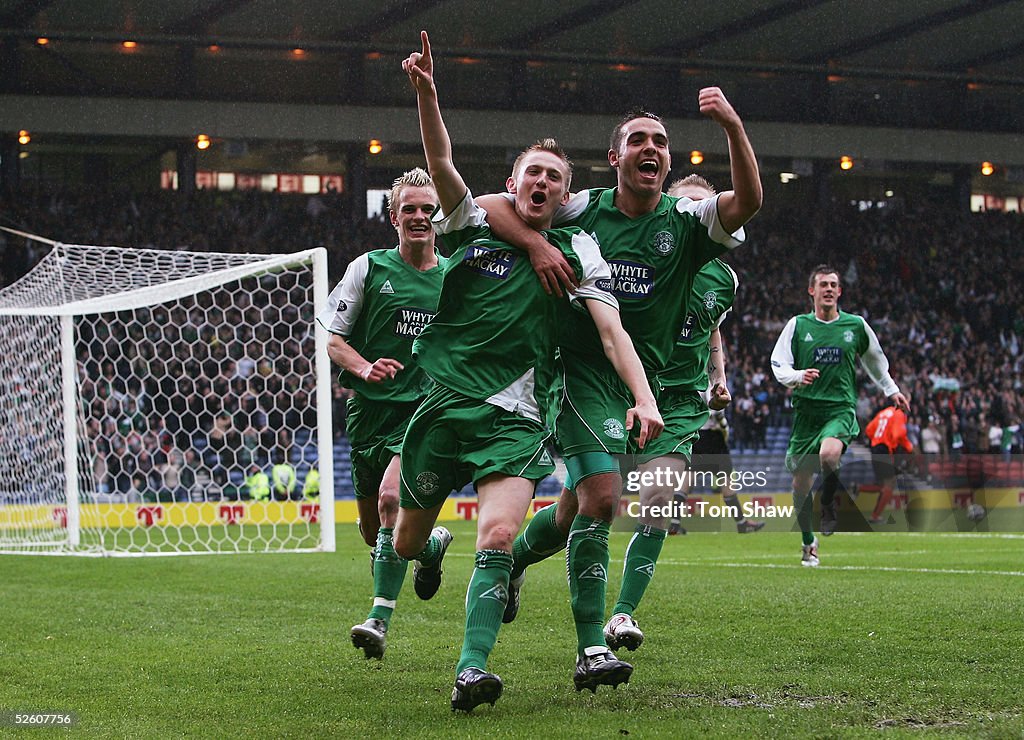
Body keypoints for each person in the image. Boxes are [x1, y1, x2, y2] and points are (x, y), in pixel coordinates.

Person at [395, 31, 661, 711]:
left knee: (501, 534)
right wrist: (428, 96)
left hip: (515, 419)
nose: (543, 182)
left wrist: (641, 395)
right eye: (532, 173)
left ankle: (471, 669)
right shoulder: (472, 224)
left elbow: (611, 329)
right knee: (405, 536)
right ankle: (428, 553)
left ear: (567, 195)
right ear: (513, 184)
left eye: (556, 177)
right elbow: (444, 165)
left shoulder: (580, 250)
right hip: (445, 405)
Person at [484, 94, 761, 659]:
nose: (651, 148)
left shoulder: (687, 233)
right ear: (615, 156)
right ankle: (598, 639)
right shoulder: (583, 208)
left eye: (660, 141)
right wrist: (537, 243)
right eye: (639, 140)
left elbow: (749, 201)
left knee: (579, 509)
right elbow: (495, 205)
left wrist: (733, 126)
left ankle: (516, 566)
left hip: (660, 388)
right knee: (605, 498)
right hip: (583, 372)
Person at [317, 167, 448, 660]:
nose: (419, 216)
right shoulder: (368, 268)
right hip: (369, 415)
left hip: (423, 411)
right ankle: (430, 548)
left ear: (438, 217)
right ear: (394, 217)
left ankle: (378, 619)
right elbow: (334, 341)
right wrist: (366, 367)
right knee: (375, 534)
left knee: (393, 499)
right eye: (409, 209)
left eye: (427, 209)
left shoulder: (453, 276)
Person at [771, 265, 910, 566]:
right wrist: (796, 377)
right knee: (799, 484)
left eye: (834, 284)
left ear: (840, 291)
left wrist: (891, 389)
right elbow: (778, 363)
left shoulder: (855, 325)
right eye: (823, 284)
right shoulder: (798, 325)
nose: (829, 289)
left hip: (839, 408)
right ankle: (809, 542)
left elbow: (875, 359)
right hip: (806, 413)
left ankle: (829, 503)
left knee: (829, 455)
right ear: (812, 290)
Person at [662, 175, 764, 538]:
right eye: (685, 205)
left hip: (687, 404)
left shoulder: (724, 280)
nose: (694, 215)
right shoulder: (645, 256)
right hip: (629, 391)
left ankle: (677, 522)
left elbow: (712, 330)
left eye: (703, 207)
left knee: (693, 476)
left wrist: (718, 380)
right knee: (595, 496)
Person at [865, 402, 913, 524]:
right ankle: (875, 516)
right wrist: (908, 447)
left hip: (876, 447)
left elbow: (869, 430)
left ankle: (858, 488)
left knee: (883, 484)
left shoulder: (884, 412)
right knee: (889, 484)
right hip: (884, 449)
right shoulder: (898, 414)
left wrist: (877, 440)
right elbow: (898, 434)